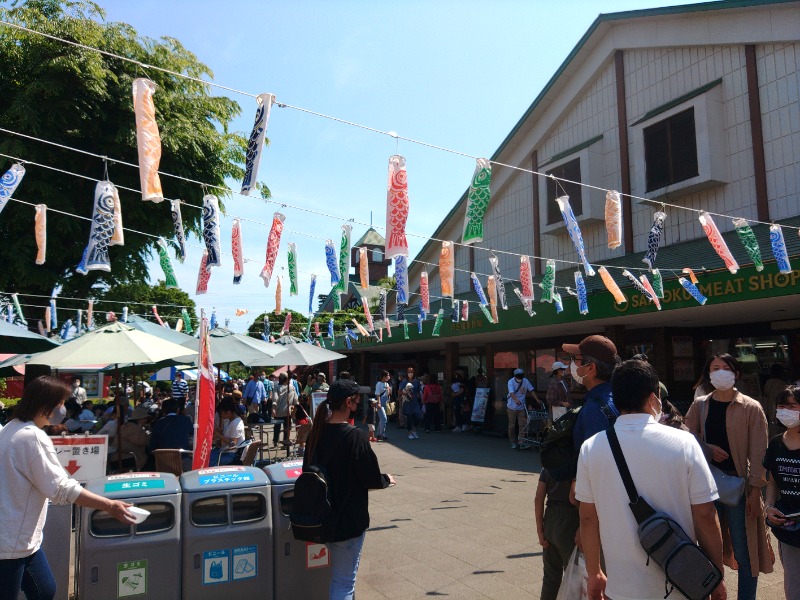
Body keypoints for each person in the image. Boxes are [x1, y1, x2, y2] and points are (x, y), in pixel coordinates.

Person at [576, 360, 727, 600]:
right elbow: (705, 515)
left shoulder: (591, 448)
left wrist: (594, 572)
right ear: (653, 397)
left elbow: (587, 517)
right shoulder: (684, 443)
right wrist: (715, 574)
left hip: (622, 587)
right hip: (682, 584)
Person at [0, 376, 134, 599]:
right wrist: (109, 505)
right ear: (47, 404)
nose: (63, 408)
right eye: (61, 402)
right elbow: (62, 488)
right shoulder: (32, 437)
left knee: (44, 590)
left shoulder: (11, 429)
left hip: (21, 539)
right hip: (11, 541)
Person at [685, 353, 772, 600]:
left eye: (726, 367)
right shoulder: (700, 405)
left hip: (739, 488)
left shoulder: (751, 407)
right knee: (706, 548)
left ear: (736, 373)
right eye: (715, 368)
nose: (720, 372)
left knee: (744, 552)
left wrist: (756, 492)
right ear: (708, 374)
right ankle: (714, 593)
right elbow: (685, 438)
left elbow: (759, 453)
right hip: (705, 487)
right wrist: (707, 448)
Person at [303, 378, 395, 600]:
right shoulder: (355, 436)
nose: (359, 402)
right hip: (348, 519)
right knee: (344, 583)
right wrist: (385, 479)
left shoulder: (316, 433)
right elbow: (370, 477)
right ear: (349, 402)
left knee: (339, 576)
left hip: (320, 517)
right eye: (357, 399)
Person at [764, 386, 800, 600]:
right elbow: (772, 482)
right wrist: (769, 507)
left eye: (792, 406)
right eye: (781, 406)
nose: (785, 410)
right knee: (794, 587)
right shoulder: (776, 443)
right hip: (789, 526)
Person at [535, 467, 579, 600]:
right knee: (572, 576)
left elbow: (538, 498)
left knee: (550, 577)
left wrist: (540, 530)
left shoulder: (549, 465)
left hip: (550, 518)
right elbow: (574, 497)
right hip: (571, 519)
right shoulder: (576, 464)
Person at [506, 368, 537, 449]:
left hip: (522, 407)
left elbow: (532, 390)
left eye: (521, 376)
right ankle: (512, 441)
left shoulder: (525, 381)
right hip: (511, 407)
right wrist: (516, 400)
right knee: (512, 425)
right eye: (518, 377)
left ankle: (521, 441)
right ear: (515, 376)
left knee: (522, 425)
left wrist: (537, 399)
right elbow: (511, 392)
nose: (520, 378)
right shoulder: (511, 381)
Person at [210, 399, 246, 466]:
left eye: (221, 413)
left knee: (210, 461)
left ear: (228, 412)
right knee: (208, 456)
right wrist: (220, 433)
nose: (221, 415)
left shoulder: (236, 423)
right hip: (224, 451)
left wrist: (219, 435)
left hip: (231, 454)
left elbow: (233, 443)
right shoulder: (227, 421)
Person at [119, 403, 151, 470]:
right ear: (141, 419)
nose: (146, 421)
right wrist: (150, 435)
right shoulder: (133, 428)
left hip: (125, 456)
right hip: (128, 457)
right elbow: (141, 441)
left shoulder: (128, 426)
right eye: (146, 418)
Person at [272, 373, 298, 447]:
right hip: (288, 412)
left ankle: (275, 441)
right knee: (287, 428)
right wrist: (294, 408)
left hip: (278, 411)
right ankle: (286, 442)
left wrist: (273, 408)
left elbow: (275, 398)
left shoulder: (276, 387)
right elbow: (296, 399)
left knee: (277, 427)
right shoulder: (292, 387)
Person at [374, 370, 391, 441]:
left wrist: (389, 390)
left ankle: (379, 434)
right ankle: (382, 434)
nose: (389, 377)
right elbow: (377, 394)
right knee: (384, 418)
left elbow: (388, 394)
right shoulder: (379, 384)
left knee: (382, 418)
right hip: (380, 401)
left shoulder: (387, 384)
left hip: (386, 401)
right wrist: (379, 403)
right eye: (387, 375)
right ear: (384, 376)